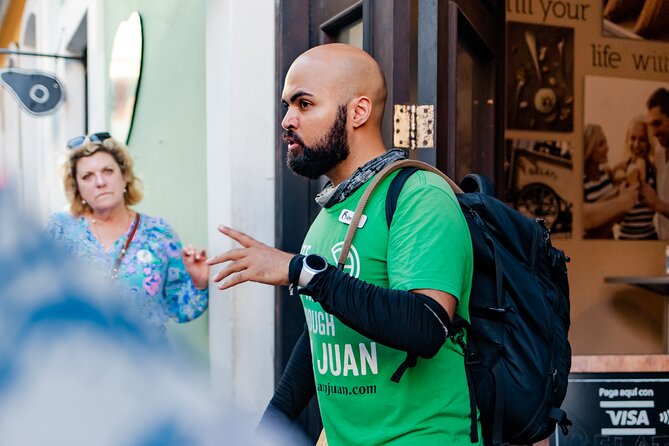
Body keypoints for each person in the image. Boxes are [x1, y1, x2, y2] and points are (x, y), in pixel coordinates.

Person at [207, 43, 478, 445]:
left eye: (304, 104)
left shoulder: (418, 195)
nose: (286, 120)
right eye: (286, 106)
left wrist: (303, 271)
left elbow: (427, 325)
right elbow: (322, 331)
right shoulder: (331, 212)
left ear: (358, 112)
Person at [45, 132, 209, 339]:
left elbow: (180, 310)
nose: (100, 182)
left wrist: (199, 282)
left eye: (108, 171)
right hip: (78, 362)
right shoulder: (60, 229)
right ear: (77, 188)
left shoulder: (158, 233)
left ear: (124, 176)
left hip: (143, 364)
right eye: (87, 176)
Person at [582, 123, 638, 239]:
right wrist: (621, 203)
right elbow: (590, 231)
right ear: (589, 149)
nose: (607, 148)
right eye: (600, 144)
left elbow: (619, 218)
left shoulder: (606, 175)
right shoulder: (581, 183)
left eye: (605, 142)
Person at [611, 117, 658, 239]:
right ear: (627, 140)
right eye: (633, 138)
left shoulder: (655, 170)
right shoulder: (619, 170)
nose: (636, 144)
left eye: (642, 139)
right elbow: (616, 219)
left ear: (649, 143)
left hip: (650, 238)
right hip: (625, 239)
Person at [641, 88, 669, 239]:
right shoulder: (659, 151)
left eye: (657, 124)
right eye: (651, 125)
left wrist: (657, 204)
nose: (653, 132)